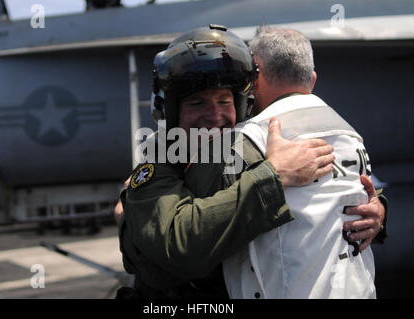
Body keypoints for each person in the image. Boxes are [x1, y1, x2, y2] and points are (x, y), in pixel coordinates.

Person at [117, 25, 387, 299]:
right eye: (197, 103)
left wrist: (373, 209)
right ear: (172, 111)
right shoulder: (159, 167)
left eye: (224, 101)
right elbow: (168, 258)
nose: (215, 116)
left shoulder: (251, 150)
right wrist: (274, 176)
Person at [215, 26, 385, 298]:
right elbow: (365, 196)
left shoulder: (247, 140)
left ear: (254, 76)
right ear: (312, 79)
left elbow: (206, 228)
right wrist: (381, 211)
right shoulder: (352, 136)